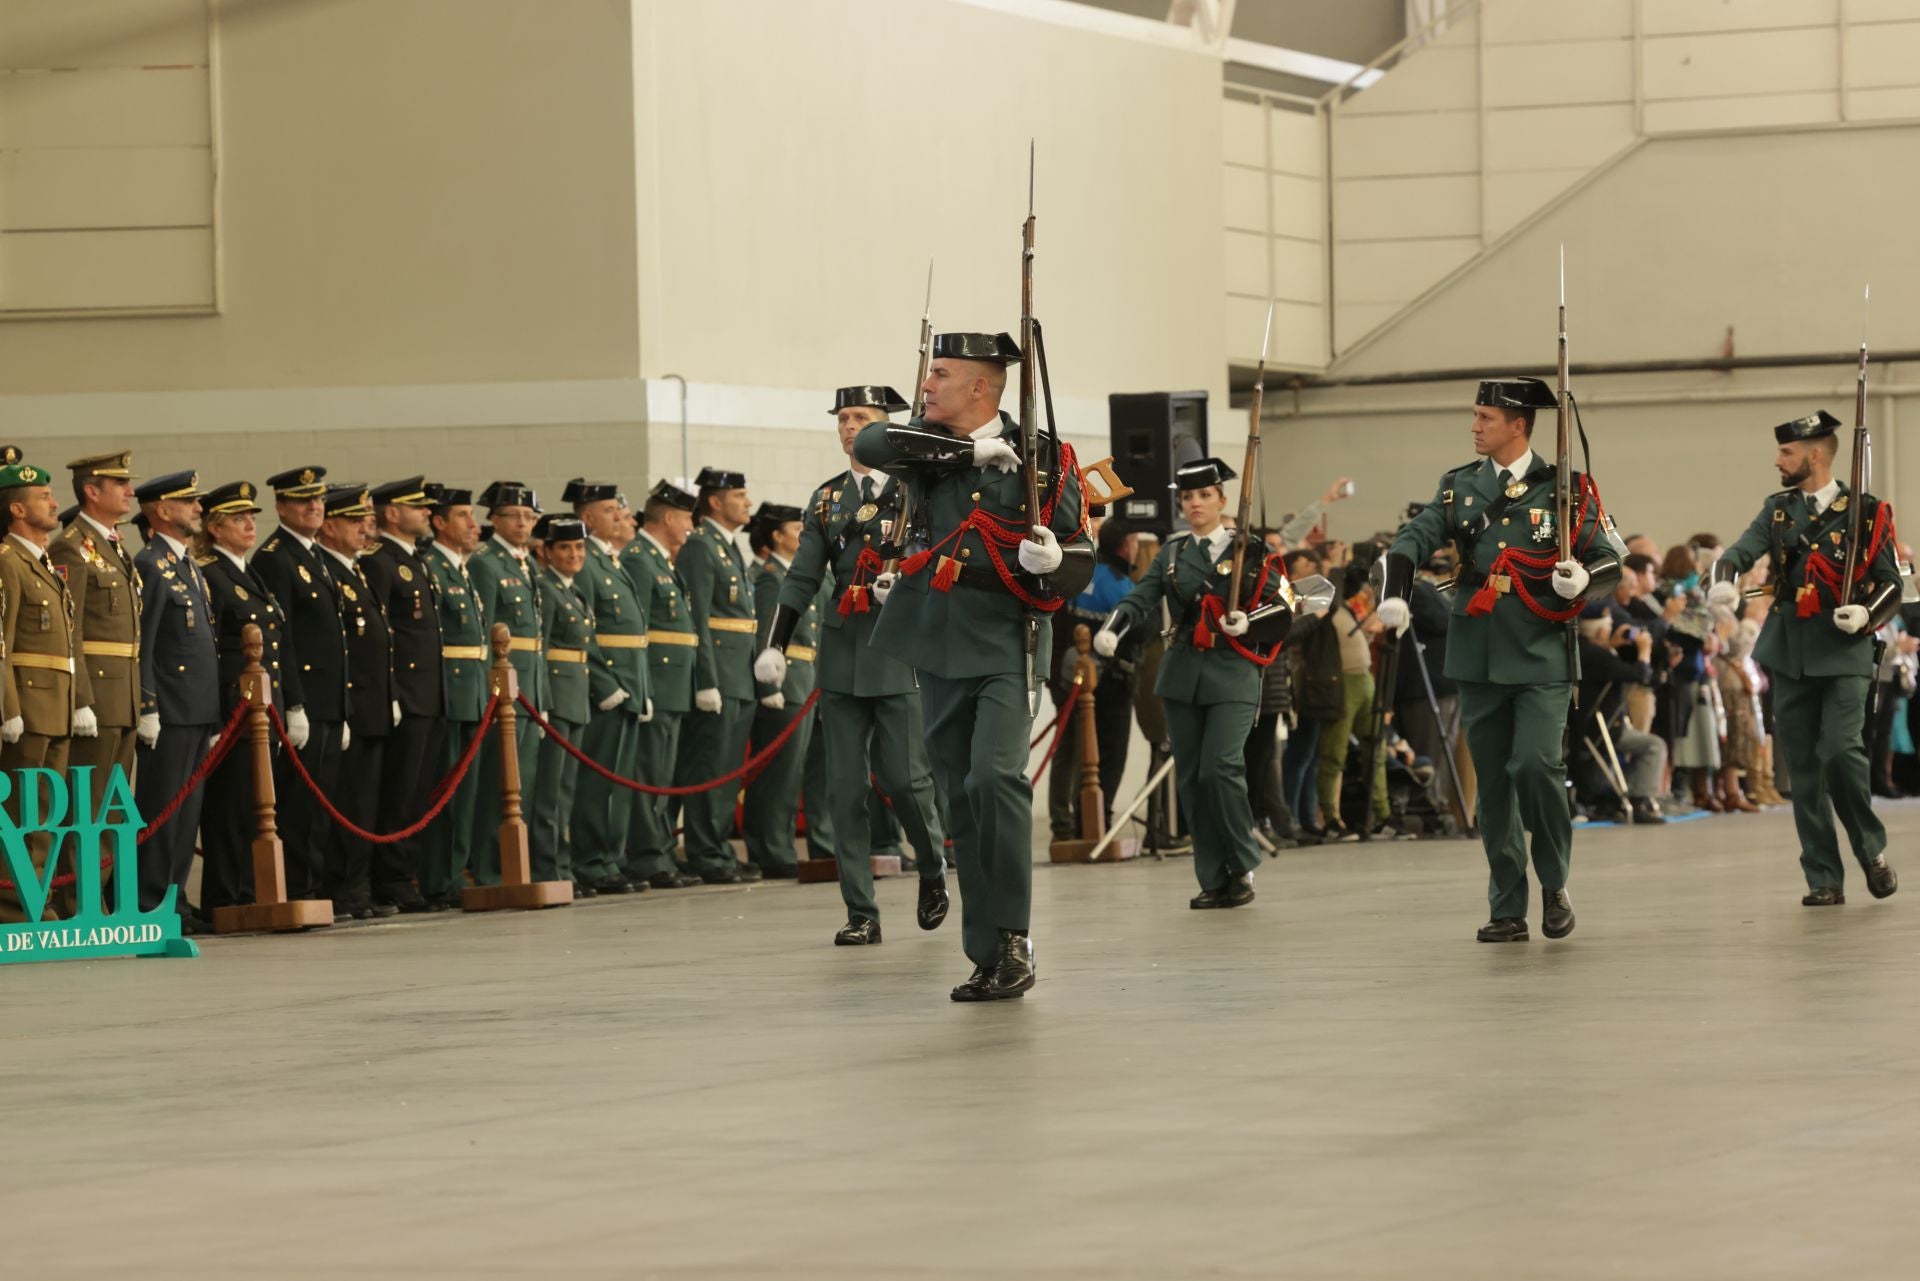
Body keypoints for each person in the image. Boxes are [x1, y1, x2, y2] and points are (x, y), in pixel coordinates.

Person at [854, 332, 1090, 999]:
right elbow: (872, 443)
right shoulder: (927, 451)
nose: (927, 386)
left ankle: (1014, 935)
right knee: (958, 794)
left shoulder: (1043, 458)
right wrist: (965, 450)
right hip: (937, 637)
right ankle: (984, 950)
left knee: (995, 779)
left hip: (1007, 638)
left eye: (942, 375)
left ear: (981, 388)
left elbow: (1081, 553)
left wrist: (1056, 563)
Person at [1375, 377, 1622, 942]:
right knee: (1494, 786)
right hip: (1479, 649)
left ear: (1519, 424)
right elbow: (1411, 541)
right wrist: (1394, 590)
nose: (1475, 426)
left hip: (1542, 649)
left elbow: (1610, 559)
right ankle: (1507, 905)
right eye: (1476, 415)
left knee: (1536, 766)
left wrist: (1584, 576)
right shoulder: (1458, 486)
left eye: (1485, 417)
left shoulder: (1568, 488)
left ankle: (1554, 881)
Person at [756, 385, 950, 944]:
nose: (848, 426)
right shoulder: (825, 500)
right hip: (843, 646)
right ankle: (860, 910)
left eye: (859, 417)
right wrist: (777, 642)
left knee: (904, 781)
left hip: (899, 644)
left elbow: (945, 553)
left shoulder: (919, 490)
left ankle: (932, 867)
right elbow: (802, 577)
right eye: (842, 417)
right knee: (843, 788)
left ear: (885, 426)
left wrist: (908, 581)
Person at [1707, 410, 1900, 906]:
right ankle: (1823, 876)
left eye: (1787, 453)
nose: (1778, 461)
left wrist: (1865, 613)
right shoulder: (1778, 511)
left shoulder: (1867, 512)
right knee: (1805, 769)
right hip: (1790, 649)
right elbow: (1738, 553)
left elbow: (1893, 584)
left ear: (1815, 455)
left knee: (1840, 751)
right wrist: (1723, 583)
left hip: (1844, 648)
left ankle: (1871, 849)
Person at [1096, 457, 1292, 907]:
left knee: (1220, 768)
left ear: (1223, 500)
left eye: (1204, 495)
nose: (1195, 504)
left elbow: (1285, 606)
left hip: (1233, 672)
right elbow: (1139, 597)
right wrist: (1113, 627)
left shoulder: (1250, 551)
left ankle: (1241, 865)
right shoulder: (1172, 553)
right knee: (1191, 778)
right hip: (1183, 673)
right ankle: (1212, 875)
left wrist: (1251, 622)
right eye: (1187, 497)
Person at [124, 470, 220, 928]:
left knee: (187, 813)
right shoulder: (150, 564)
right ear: (161, 511)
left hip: (197, 707)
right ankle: (151, 902)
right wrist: (147, 706)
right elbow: (143, 643)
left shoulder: (187, 565)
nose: (199, 508)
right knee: (163, 809)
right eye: (189, 502)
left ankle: (175, 899)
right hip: (170, 709)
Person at [52, 452, 145, 917]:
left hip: (123, 695)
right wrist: (81, 699)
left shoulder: (113, 545)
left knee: (111, 810)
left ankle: (98, 903)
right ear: (92, 491)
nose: (130, 491)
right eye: (119, 483)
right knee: (84, 809)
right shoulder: (71, 546)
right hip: (98, 698)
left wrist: (141, 700)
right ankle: (76, 905)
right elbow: (70, 632)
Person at [252, 465, 349, 902]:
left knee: (321, 805)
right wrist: (292, 703)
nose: (314, 506)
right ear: (281, 507)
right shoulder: (275, 557)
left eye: (318, 499)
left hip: (328, 702)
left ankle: (313, 889)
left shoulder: (314, 556)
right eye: (303, 500)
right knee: (299, 806)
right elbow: (281, 638)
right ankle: (296, 892)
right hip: (304, 700)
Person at [194, 481, 289, 917]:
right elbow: (209, 650)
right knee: (230, 806)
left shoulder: (246, 571)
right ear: (214, 528)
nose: (251, 524)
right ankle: (226, 897)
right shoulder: (209, 571)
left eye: (251, 517)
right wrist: (215, 718)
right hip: (233, 706)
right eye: (238, 519)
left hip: (260, 707)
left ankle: (251, 891)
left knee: (257, 804)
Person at [0, 458, 78, 924]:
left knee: (45, 816)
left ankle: (37, 900)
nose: (53, 502)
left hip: (56, 705)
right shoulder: (8, 562)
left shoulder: (40, 560)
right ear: (17, 509)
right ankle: (13, 907)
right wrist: (7, 707)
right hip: (27, 706)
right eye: (42, 497)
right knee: (21, 813)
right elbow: (2, 641)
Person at [565, 477, 651, 897]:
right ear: (587, 518)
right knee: (598, 782)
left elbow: (636, 635)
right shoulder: (586, 563)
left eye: (619, 508)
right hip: (607, 685)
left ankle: (610, 858)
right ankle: (591, 860)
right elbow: (584, 630)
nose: (620, 515)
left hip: (630, 681)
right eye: (609, 510)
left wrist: (642, 686)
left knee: (619, 781)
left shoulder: (611, 560)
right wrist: (605, 683)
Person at [677, 465, 762, 884]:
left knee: (729, 769)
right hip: (719, 676)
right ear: (714, 501)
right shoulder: (700, 546)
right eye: (739, 495)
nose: (748, 502)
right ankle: (704, 851)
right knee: (709, 767)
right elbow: (699, 618)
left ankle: (719, 846)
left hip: (739, 674)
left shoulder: (728, 547)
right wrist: (705, 679)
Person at [620, 480, 705, 890]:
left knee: (664, 774)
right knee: (649, 773)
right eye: (687, 518)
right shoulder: (639, 558)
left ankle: (661, 848)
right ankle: (646, 854)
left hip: (675, 682)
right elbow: (641, 631)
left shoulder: (658, 559)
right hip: (657, 679)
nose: (691, 526)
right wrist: (645, 687)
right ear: (669, 518)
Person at [361, 477, 441, 912]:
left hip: (428, 694)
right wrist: (392, 693)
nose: (427, 513)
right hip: (405, 696)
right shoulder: (381, 561)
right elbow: (384, 636)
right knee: (397, 794)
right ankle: (390, 878)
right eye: (418, 507)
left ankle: (406, 873)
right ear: (391, 513)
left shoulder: (414, 559)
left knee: (416, 795)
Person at [313, 485, 392, 919]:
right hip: (349, 705)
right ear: (329, 526)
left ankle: (356, 886)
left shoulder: (354, 570)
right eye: (354, 521)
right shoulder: (327, 568)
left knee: (364, 804)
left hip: (371, 705)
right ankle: (341, 888)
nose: (365, 528)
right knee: (346, 803)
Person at [466, 481, 549, 886]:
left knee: (524, 783)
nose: (522, 523)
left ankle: (514, 866)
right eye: (513, 515)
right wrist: (491, 695)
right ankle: (488, 867)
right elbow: (484, 635)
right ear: (494, 519)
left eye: (529, 517)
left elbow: (537, 640)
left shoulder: (525, 563)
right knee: (499, 783)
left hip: (529, 688)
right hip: (504, 689)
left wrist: (542, 695)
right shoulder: (486, 562)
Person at [742, 502, 824, 879]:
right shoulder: (771, 576)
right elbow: (766, 632)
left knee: (792, 774)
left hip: (805, 678)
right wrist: (768, 685)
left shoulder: (791, 573)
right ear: (777, 536)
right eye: (797, 530)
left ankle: (779, 843)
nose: (803, 537)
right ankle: (769, 848)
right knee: (778, 773)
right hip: (785, 680)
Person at [418, 485, 489, 910]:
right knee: (444, 793)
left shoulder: (461, 570)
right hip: (450, 690)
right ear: (439, 522)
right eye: (462, 515)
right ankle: (436, 878)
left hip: (474, 690)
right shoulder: (432, 568)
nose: (472, 523)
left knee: (466, 794)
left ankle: (454, 873)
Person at [530, 515, 602, 887]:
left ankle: (561, 864)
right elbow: (541, 648)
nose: (574, 554)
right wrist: (542, 696)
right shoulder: (546, 588)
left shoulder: (573, 591)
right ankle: (547, 867)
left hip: (576, 695)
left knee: (566, 790)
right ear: (546, 551)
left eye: (579, 547)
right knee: (549, 792)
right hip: (556, 696)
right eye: (564, 547)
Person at [1573, 615, 1667, 824]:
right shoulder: (1596, 655)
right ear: (1599, 633)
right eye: (1608, 628)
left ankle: (1630, 795)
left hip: (1593, 726)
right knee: (1654, 745)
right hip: (1602, 729)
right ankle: (1639, 797)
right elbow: (1641, 674)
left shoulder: (1584, 651)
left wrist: (1613, 645)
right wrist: (1644, 651)